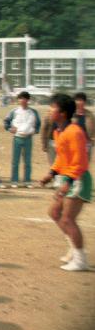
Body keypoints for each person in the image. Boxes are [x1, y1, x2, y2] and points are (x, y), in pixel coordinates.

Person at [39, 93, 91, 271]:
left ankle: (80, 259)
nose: (49, 110)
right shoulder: (58, 130)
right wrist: (52, 173)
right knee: (54, 212)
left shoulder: (75, 131)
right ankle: (73, 249)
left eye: (52, 108)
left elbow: (80, 161)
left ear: (62, 113)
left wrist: (67, 182)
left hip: (78, 179)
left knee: (68, 219)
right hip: (67, 177)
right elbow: (62, 158)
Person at [3, 91, 41, 188]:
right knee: (15, 161)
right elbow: (6, 121)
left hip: (28, 138)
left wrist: (35, 131)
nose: (23, 100)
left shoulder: (33, 112)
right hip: (17, 138)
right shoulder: (14, 111)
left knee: (27, 161)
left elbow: (38, 123)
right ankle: (14, 180)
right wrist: (9, 128)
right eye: (21, 98)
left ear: (28, 100)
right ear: (18, 100)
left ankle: (27, 181)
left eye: (25, 98)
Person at [72, 92, 94, 158]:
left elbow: (94, 128)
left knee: (85, 163)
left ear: (84, 102)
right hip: (73, 142)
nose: (78, 102)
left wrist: (92, 140)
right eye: (77, 100)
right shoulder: (70, 114)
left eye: (81, 100)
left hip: (86, 143)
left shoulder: (90, 114)